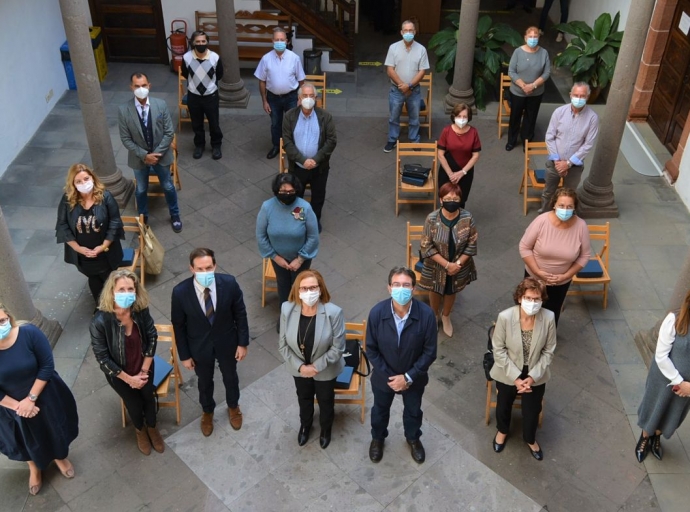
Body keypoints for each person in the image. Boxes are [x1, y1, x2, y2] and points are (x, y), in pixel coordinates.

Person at [0, 303, 78, 495]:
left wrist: (30, 399)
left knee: (54, 429)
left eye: (1, 320)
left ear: (8, 317)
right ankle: (34, 467)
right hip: (11, 407)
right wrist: (20, 407)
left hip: (44, 395)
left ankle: (60, 457)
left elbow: (47, 366)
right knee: (22, 439)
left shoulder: (29, 333)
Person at [171, 248, 249, 437]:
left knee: (230, 376)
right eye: (200, 269)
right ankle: (207, 411)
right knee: (204, 381)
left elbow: (240, 314)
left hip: (227, 342)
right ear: (191, 269)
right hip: (199, 347)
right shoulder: (180, 292)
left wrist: (242, 343)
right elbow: (178, 325)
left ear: (214, 265)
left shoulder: (229, 284)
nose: (205, 272)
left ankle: (233, 406)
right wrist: (185, 355)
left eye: (208, 267)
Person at [366, 267, 437, 464]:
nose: (401, 289)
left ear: (413, 289)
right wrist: (391, 378)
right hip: (383, 378)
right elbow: (371, 349)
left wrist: (407, 377)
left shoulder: (426, 315)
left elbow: (430, 352)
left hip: (414, 379)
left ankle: (413, 438)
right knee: (380, 409)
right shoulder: (377, 313)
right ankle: (377, 438)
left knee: (413, 411)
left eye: (406, 285)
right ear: (389, 288)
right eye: (396, 285)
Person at [90, 269, 164, 455]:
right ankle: (140, 430)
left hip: (144, 366)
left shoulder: (140, 310)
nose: (126, 293)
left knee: (148, 397)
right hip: (119, 374)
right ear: (112, 291)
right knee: (134, 405)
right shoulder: (99, 321)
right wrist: (130, 380)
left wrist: (144, 371)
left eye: (130, 289)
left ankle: (153, 428)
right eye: (121, 289)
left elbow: (152, 336)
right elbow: (102, 358)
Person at [490, 278, 556, 461]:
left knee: (532, 409)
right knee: (503, 403)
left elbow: (549, 351)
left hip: (536, 371)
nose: (532, 302)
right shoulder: (505, 317)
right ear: (520, 298)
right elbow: (499, 350)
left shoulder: (549, 318)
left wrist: (533, 377)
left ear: (542, 300)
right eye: (528, 298)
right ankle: (502, 431)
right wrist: (516, 378)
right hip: (508, 369)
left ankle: (530, 438)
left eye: (537, 299)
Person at [278, 270, 345, 449]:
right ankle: (305, 425)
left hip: (325, 369)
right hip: (298, 369)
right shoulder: (287, 309)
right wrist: (301, 368)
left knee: (325, 399)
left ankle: (325, 429)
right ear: (298, 290)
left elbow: (338, 348)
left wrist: (314, 367)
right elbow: (283, 345)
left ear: (320, 289)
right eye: (304, 288)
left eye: (313, 287)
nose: (309, 292)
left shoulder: (334, 312)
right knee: (303, 397)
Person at [118, 72, 182, 233]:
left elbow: (169, 132)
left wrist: (156, 154)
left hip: (160, 156)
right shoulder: (124, 110)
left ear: (149, 86)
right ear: (131, 87)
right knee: (140, 189)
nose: (141, 89)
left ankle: (175, 215)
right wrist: (144, 155)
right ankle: (143, 216)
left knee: (168, 186)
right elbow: (125, 139)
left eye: (144, 85)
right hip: (139, 159)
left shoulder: (160, 105)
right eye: (137, 86)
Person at [519, 187, 591, 326]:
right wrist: (538, 272)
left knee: (552, 312)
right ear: (554, 205)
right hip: (534, 277)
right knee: (529, 310)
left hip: (561, 282)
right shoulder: (541, 221)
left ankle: (547, 340)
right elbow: (524, 247)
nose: (565, 209)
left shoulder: (581, 226)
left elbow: (584, 255)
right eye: (561, 205)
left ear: (574, 207)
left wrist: (565, 276)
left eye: (569, 206)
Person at [55, 163, 124, 304]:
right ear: (73, 183)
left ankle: (116, 306)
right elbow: (62, 225)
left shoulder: (105, 197)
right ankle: (100, 307)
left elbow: (115, 222)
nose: (83, 183)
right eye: (78, 181)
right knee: (93, 279)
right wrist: (78, 248)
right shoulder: (68, 200)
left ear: (92, 178)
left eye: (86, 179)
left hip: (105, 252)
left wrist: (103, 246)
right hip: (84, 255)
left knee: (110, 280)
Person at [635, 292, 690, 463]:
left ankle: (656, 437)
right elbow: (661, 356)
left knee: (673, 413)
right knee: (655, 408)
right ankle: (645, 437)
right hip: (664, 380)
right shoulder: (674, 320)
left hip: (686, 388)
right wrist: (679, 382)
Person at [418, 183, 478, 337]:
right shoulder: (432, 219)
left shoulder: (467, 217)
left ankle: (446, 316)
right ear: (441, 200)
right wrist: (446, 265)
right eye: (448, 198)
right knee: (435, 289)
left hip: (459, 264)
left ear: (460, 200)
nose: (452, 201)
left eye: (455, 198)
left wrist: (456, 265)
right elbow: (426, 246)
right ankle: (434, 315)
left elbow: (471, 244)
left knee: (452, 290)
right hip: (436, 264)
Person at [256, 173, 320, 317]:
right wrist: (276, 257)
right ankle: (285, 315)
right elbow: (261, 236)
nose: (287, 194)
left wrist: (301, 258)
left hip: (301, 259)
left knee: (301, 287)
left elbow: (313, 236)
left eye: (291, 192)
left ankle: (301, 314)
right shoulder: (267, 207)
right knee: (283, 286)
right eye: (283, 192)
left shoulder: (304, 208)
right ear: (276, 191)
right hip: (278, 259)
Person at [282, 82, 337, 231]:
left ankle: (314, 221)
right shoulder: (289, 116)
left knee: (318, 196)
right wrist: (303, 160)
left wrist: (315, 160)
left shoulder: (326, 117)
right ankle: (298, 220)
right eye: (305, 96)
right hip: (298, 167)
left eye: (311, 96)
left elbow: (331, 141)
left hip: (319, 167)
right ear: (299, 98)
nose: (308, 99)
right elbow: (287, 142)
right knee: (296, 196)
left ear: (316, 98)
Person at [541, 82, 599, 211]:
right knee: (548, 193)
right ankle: (545, 216)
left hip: (574, 166)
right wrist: (557, 162)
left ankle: (566, 223)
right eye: (576, 95)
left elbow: (588, 144)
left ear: (587, 97)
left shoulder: (592, 118)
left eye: (582, 96)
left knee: (569, 196)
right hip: (554, 163)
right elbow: (550, 136)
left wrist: (567, 164)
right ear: (570, 95)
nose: (578, 98)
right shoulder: (559, 112)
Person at [255, 27, 306, 159]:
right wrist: (264, 100)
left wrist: (301, 98)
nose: (279, 42)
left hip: (291, 97)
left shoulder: (294, 58)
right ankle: (276, 146)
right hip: (273, 98)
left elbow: (301, 80)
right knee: (275, 123)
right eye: (277, 39)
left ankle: (292, 146)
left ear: (287, 41)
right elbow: (262, 81)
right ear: (272, 41)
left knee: (292, 123)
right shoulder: (266, 59)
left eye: (282, 40)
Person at [383, 20, 430, 152]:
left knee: (414, 117)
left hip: (413, 90)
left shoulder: (421, 49)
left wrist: (409, 85)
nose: (408, 33)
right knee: (394, 117)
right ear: (401, 32)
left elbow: (422, 71)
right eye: (406, 31)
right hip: (396, 90)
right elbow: (390, 70)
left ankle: (414, 140)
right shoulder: (393, 48)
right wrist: (402, 85)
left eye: (411, 30)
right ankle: (392, 139)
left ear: (415, 32)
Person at [506, 27, 551, 152]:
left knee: (531, 117)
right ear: (525, 38)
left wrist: (533, 86)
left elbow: (546, 73)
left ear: (539, 38)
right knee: (515, 116)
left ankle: (527, 140)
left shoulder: (544, 53)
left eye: (535, 36)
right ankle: (512, 140)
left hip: (536, 93)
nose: (533, 39)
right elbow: (511, 71)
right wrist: (523, 86)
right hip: (517, 92)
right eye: (530, 37)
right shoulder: (517, 52)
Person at [181, 30, 224, 160]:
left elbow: (220, 75)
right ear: (193, 43)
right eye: (198, 41)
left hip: (210, 96)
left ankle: (216, 146)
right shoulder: (186, 57)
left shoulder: (215, 57)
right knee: (196, 124)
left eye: (203, 41)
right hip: (194, 96)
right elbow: (184, 73)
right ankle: (199, 146)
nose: (201, 44)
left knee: (214, 123)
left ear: (207, 42)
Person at [437, 103, 481, 205]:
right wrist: (450, 174)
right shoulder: (446, 131)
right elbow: (440, 154)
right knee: (445, 198)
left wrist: (462, 172)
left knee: (461, 200)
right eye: (459, 116)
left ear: (468, 117)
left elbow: (475, 155)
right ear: (454, 116)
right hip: (447, 171)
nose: (462, 119)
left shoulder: (473, 132)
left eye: (464, 116)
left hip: (465, 172)